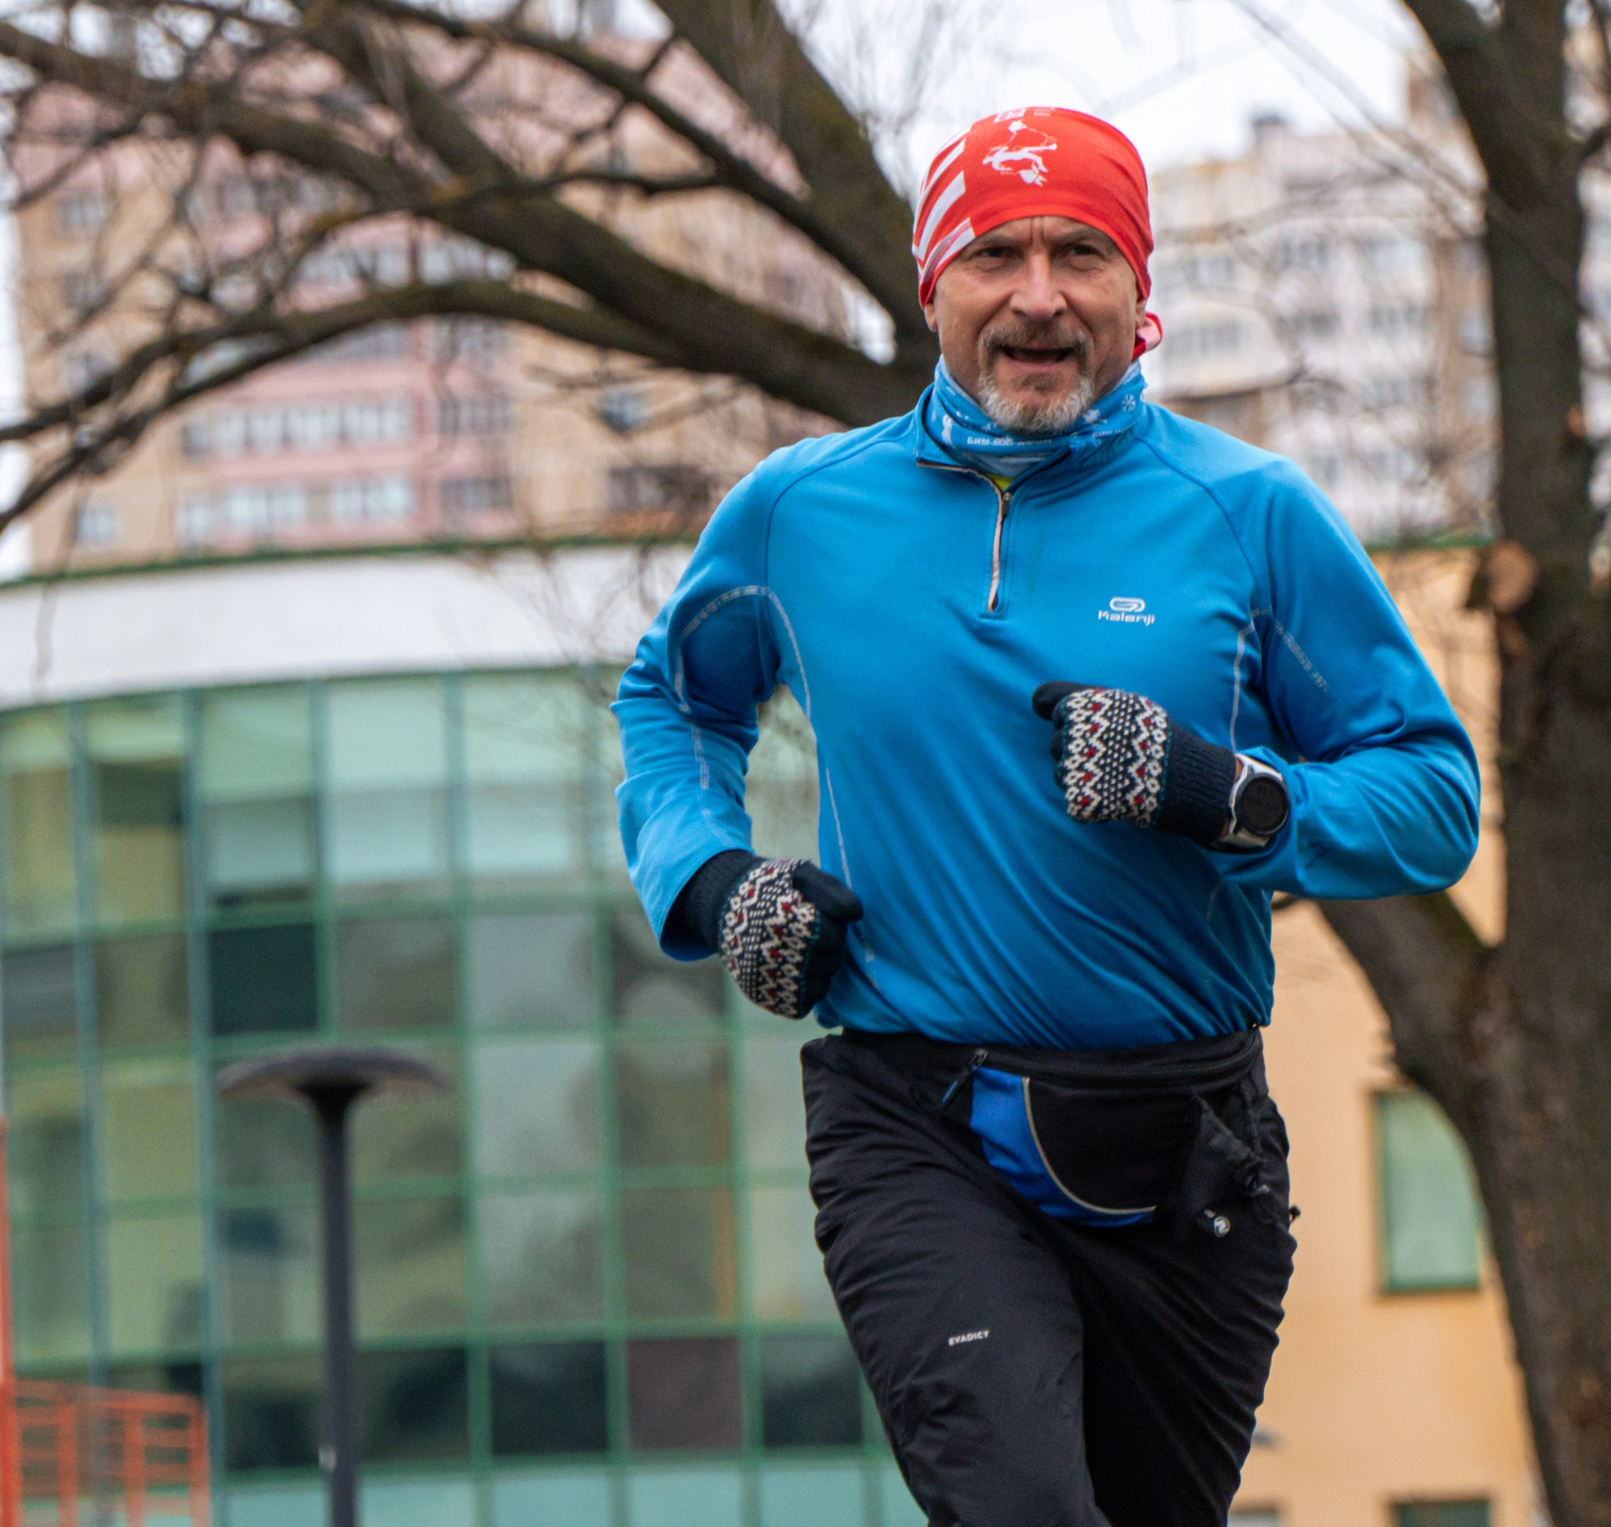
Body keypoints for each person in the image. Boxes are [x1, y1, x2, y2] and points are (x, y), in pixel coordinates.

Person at [614, 104, 1481, 1526]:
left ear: (1139, 293)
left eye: (1081, 252)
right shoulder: (802, 513)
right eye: (993, 254)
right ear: (929, 289)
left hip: (1184, 1149)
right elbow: (674, 705)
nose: (1037, 295)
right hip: (915, 1121)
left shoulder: (1248, 513)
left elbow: (1433, 794)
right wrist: (714, 885)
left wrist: (1227, 796)